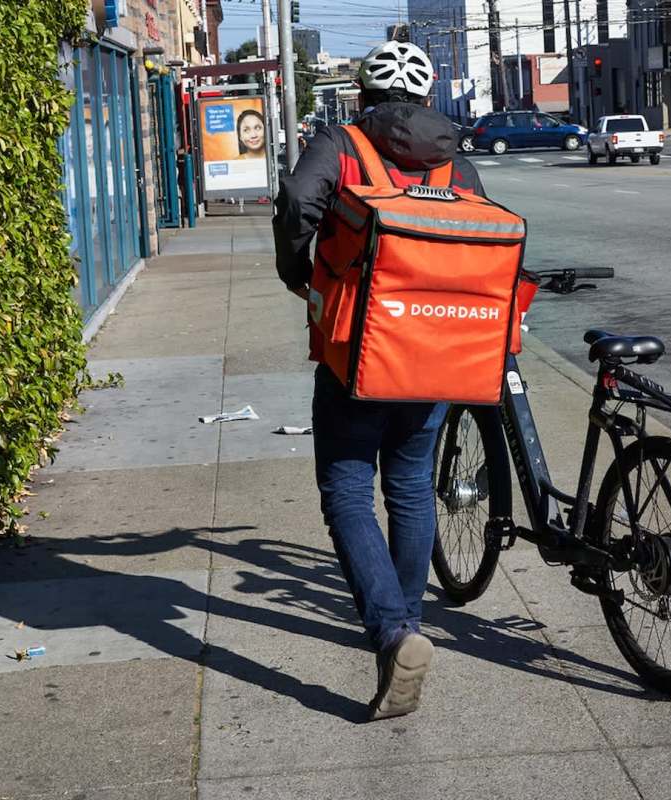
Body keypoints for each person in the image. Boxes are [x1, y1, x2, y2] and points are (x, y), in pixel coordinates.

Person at [273, 40, 486, 721]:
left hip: (356, 352)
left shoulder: (343, 144)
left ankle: (394, 633)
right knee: (411, 485)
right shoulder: (455, 160)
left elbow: (297, 202)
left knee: (345, 490)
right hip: (434, 354)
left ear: (363, 96)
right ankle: (408, 621)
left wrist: (297, 271)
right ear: (427, 102)